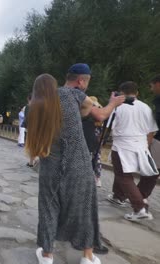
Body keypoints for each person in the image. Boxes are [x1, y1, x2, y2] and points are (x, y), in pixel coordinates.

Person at [27, 74, 124, 264]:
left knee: (48, 209)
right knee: (84, 208)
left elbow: (34, 148)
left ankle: (47, 256)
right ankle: (87, 257)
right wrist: (112, 103)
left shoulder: (34, 109)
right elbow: (100, 114)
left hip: (50, 168)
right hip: (78, 165)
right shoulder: (70, 94)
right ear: (55, 86)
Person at [106, 81, 158, 221]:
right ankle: (119, 196)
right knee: (125, 175)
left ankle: (139, 207)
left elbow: (109, 125)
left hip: (122, 145)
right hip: (141, 145)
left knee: (123, 176)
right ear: (137, 93)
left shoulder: (118, 106)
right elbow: (151, 130)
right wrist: (145, 145)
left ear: (120, 93)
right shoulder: (145, 107)